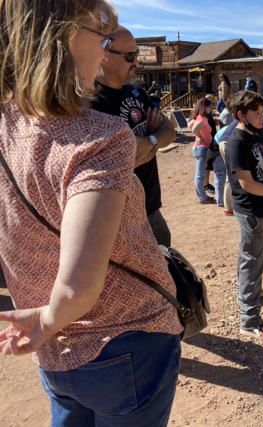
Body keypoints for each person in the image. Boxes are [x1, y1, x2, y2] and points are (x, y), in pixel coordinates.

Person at [0, 1, 182, 426]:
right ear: (61, 36)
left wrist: (46, 323)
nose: (104, 54)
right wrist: (47, 318)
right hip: (123, 337)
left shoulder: (7, 123)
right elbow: (79, 287)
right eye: (100, 38)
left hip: (54, 349)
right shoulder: (99, 137)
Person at [92, 26, 175, 248]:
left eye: (136, 54)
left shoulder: (135, 89)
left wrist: (151, 141)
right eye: (130, 56)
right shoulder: (93, 101)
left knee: (166, 258)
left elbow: (170, 129)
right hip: (122, 213)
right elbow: (124, 160)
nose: (136, 61)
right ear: (104, 55)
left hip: (150, 205)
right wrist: (151, 138)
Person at [225, 90, 263, 340]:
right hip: (250, 209)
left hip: (256, 208)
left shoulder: (253, 135)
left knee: (248, 255)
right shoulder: (237, 141)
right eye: (256, 113)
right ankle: (250, 320)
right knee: (254, 260)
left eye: (262, 111)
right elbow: (247, 184)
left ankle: (247, 290)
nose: (262, 117)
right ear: (241, 115)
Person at [190, 98, 215, 204]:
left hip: (199, 148)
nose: (212, 107)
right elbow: (194, 129)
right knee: (200, 175)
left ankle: (202, 196)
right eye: (210, 106)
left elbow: (189, 125)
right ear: (205, 107)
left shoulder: (198, 117)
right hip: (202, 148)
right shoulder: (203, 118)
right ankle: (202, 198)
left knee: (200, 174)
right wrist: (200, 136)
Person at [204, 94, 219, 196]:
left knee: (209, 165)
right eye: (212, 103)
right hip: (206, 142)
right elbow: (193, 124)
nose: (213, 106)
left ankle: (207, 184)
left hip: (211, 140)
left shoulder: (208, 112)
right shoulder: (203, 112)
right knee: (206, 165)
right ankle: (205, 185)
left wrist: (213, 122)